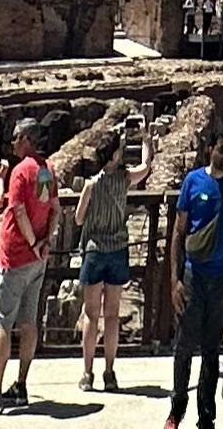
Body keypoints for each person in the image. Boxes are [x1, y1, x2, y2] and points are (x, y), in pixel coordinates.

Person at [167, 124, 223, 429]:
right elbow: (179, 231)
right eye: (221, 148)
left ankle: (206, 415)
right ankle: (177, 408)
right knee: (184, 345)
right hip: (193, 276)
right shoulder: (193, 182)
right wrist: (175, 280)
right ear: (210, 149)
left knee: (212, 348)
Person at [0, 116, 56, 409]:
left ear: (27, 139)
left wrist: (31, 243)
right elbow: (53, 208)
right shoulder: (45, 170)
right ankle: (21, 385)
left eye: (17, 137)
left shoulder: (20, 171)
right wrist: (45, 242)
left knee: (2, 322)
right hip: (37, 259)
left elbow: (17, 210)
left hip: (17, 255)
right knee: (29, 322)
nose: (13, 142)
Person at [76, 136, 135, 395]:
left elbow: (78, 218)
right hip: (118, 251)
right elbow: (146, 167)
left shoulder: (91, 185)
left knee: (91, 314)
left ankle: (87, 374)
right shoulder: (124, 180)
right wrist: (147, 144)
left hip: (95, 251)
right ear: (113, 156)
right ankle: (109, 372)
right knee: (112, 316)